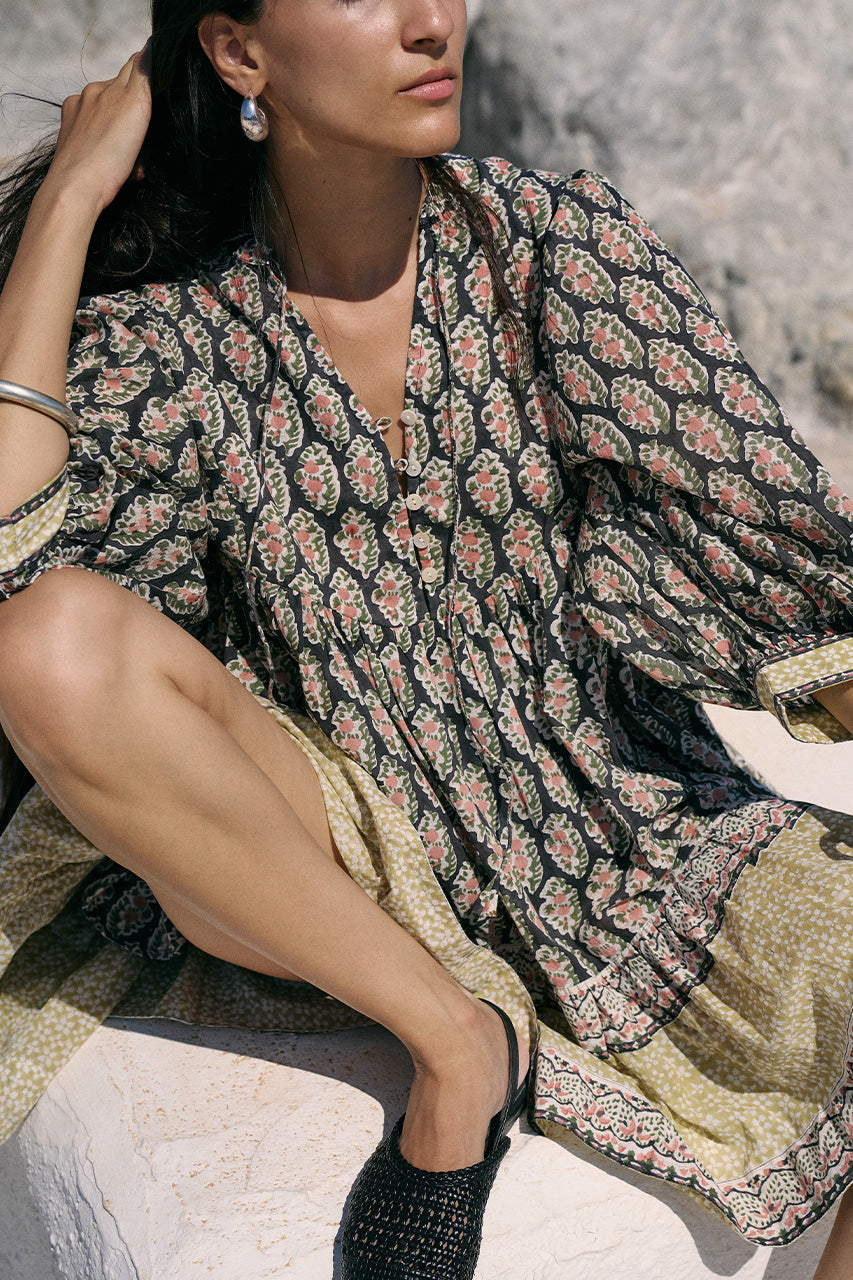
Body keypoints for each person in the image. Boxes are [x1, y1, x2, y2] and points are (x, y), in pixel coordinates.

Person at [0, 1, 851, 1275]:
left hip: (620, 832)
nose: (428, 22)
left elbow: (776, 541)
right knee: (48, 639)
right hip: (340, 844)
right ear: (239, 54)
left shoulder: (551, 247)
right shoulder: (176, 335)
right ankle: (458, 1046)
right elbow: (12, 549)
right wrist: (70, 202)